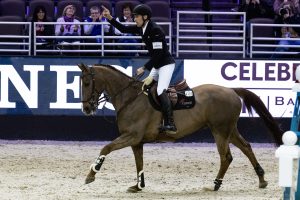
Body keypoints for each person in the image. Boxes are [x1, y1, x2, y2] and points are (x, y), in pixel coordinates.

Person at [102, 4, 177, 134]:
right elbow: (124, 29)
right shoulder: (142, 28)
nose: (134, 19)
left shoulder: (155, 30)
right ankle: (152, 117)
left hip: (166, 64)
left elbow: (159, 54)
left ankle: (170, 123)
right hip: (157, 64)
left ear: (145, 17)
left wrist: (144, 67)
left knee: (160, 90)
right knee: (146, 87)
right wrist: (110, 18)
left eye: (136, 17)